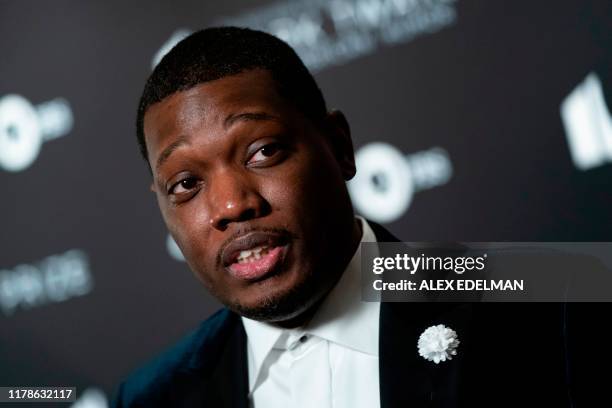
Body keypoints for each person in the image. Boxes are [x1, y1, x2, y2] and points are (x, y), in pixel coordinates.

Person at [113, 27, 601, 407]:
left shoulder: (554, 301)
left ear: (339, 147)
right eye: (186, 184)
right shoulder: (149, 398)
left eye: (263, 151)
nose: (231, 205)